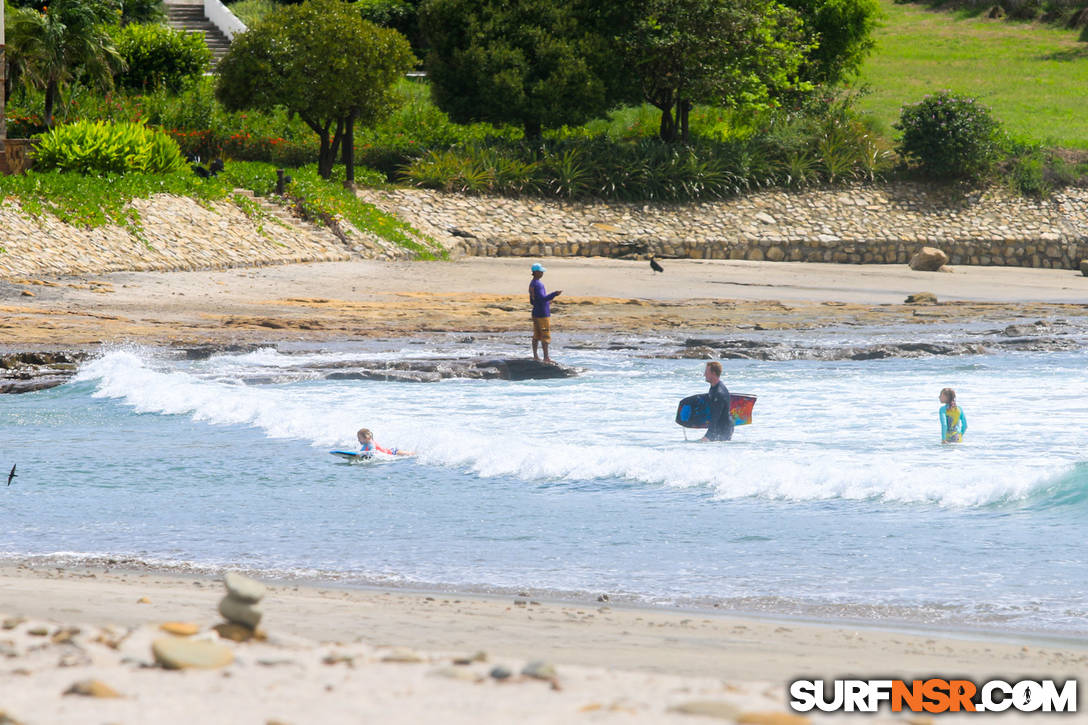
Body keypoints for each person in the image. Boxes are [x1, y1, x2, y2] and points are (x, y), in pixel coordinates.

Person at [528, 263, 562, 363]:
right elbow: (542, 298)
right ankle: (546, 358)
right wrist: (554, 294)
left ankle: (535, 356)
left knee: (536, 335)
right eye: (541, 271)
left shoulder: (532, 284)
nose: (542, 273)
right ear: (536, 272)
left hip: (535, 312)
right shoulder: (538, 284)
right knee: (545, 335)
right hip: (542, 314)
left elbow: (533, 301)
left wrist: (547, 302)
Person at [700, 361, 734, 442]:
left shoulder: (719, 393)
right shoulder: (714, 388)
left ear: (713, 373)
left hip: (723, 431)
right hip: (723, 428)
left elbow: (715, 416)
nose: (704, 375)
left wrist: (707, 436)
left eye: (706, 372)